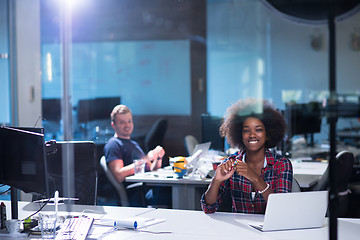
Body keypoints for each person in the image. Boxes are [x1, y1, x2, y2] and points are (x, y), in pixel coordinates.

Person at [201, 98, 293, 214]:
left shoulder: (282, 165)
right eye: (246, 130)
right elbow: (208, 208)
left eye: (258, 130)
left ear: (268, 134)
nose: (252, 135)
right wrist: (216, 180)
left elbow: (282, 210)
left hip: (270, 229)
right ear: (239, 134)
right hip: (240, 230)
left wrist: (255, 178)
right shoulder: (232, 163)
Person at [103, 104, 165, 206]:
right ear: (113, 125)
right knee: (178, 194)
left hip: (149, 188)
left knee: (179, 191)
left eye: (129, 121)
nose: (127, 125)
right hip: (139, 194)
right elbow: (119, 175)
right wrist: (146, 159)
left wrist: (158, 157)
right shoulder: (113, 144)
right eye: (122, 122)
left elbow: (151, 168)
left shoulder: (134, 144)